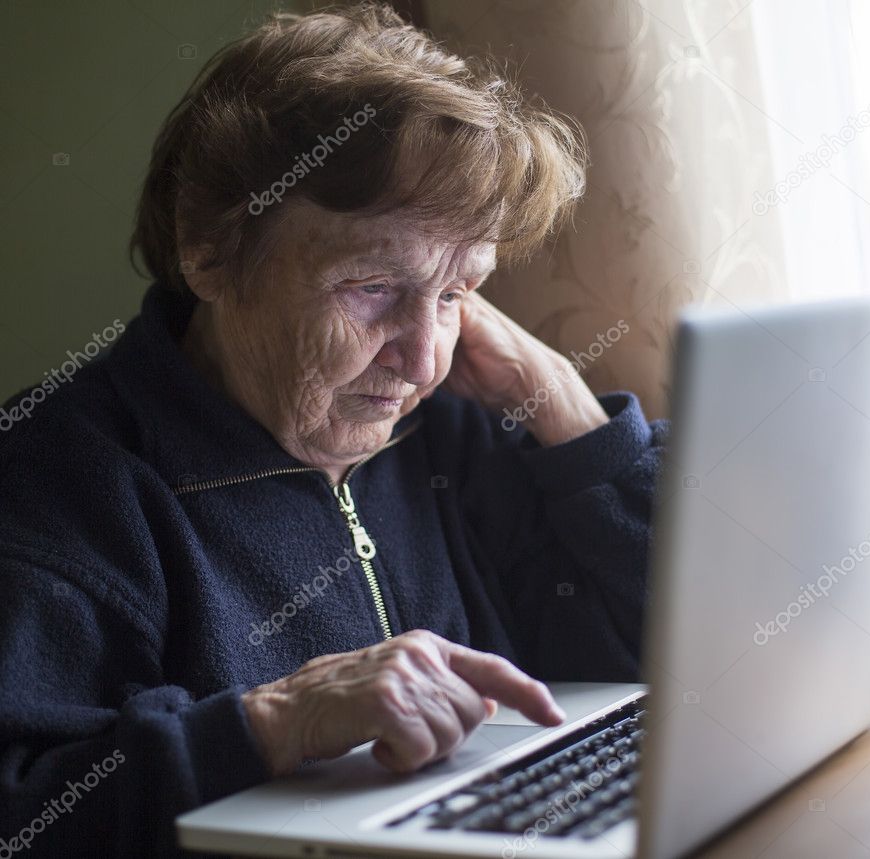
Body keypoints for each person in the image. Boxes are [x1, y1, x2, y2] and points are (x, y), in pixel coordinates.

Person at [0, 4, 668, 856]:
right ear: (208, 248)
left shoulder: (449, 433)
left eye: (459, 290)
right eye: (371, 286)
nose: (423, 359)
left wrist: (563, 408)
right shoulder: (59, 480)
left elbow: (684, 650)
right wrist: (275, 722)